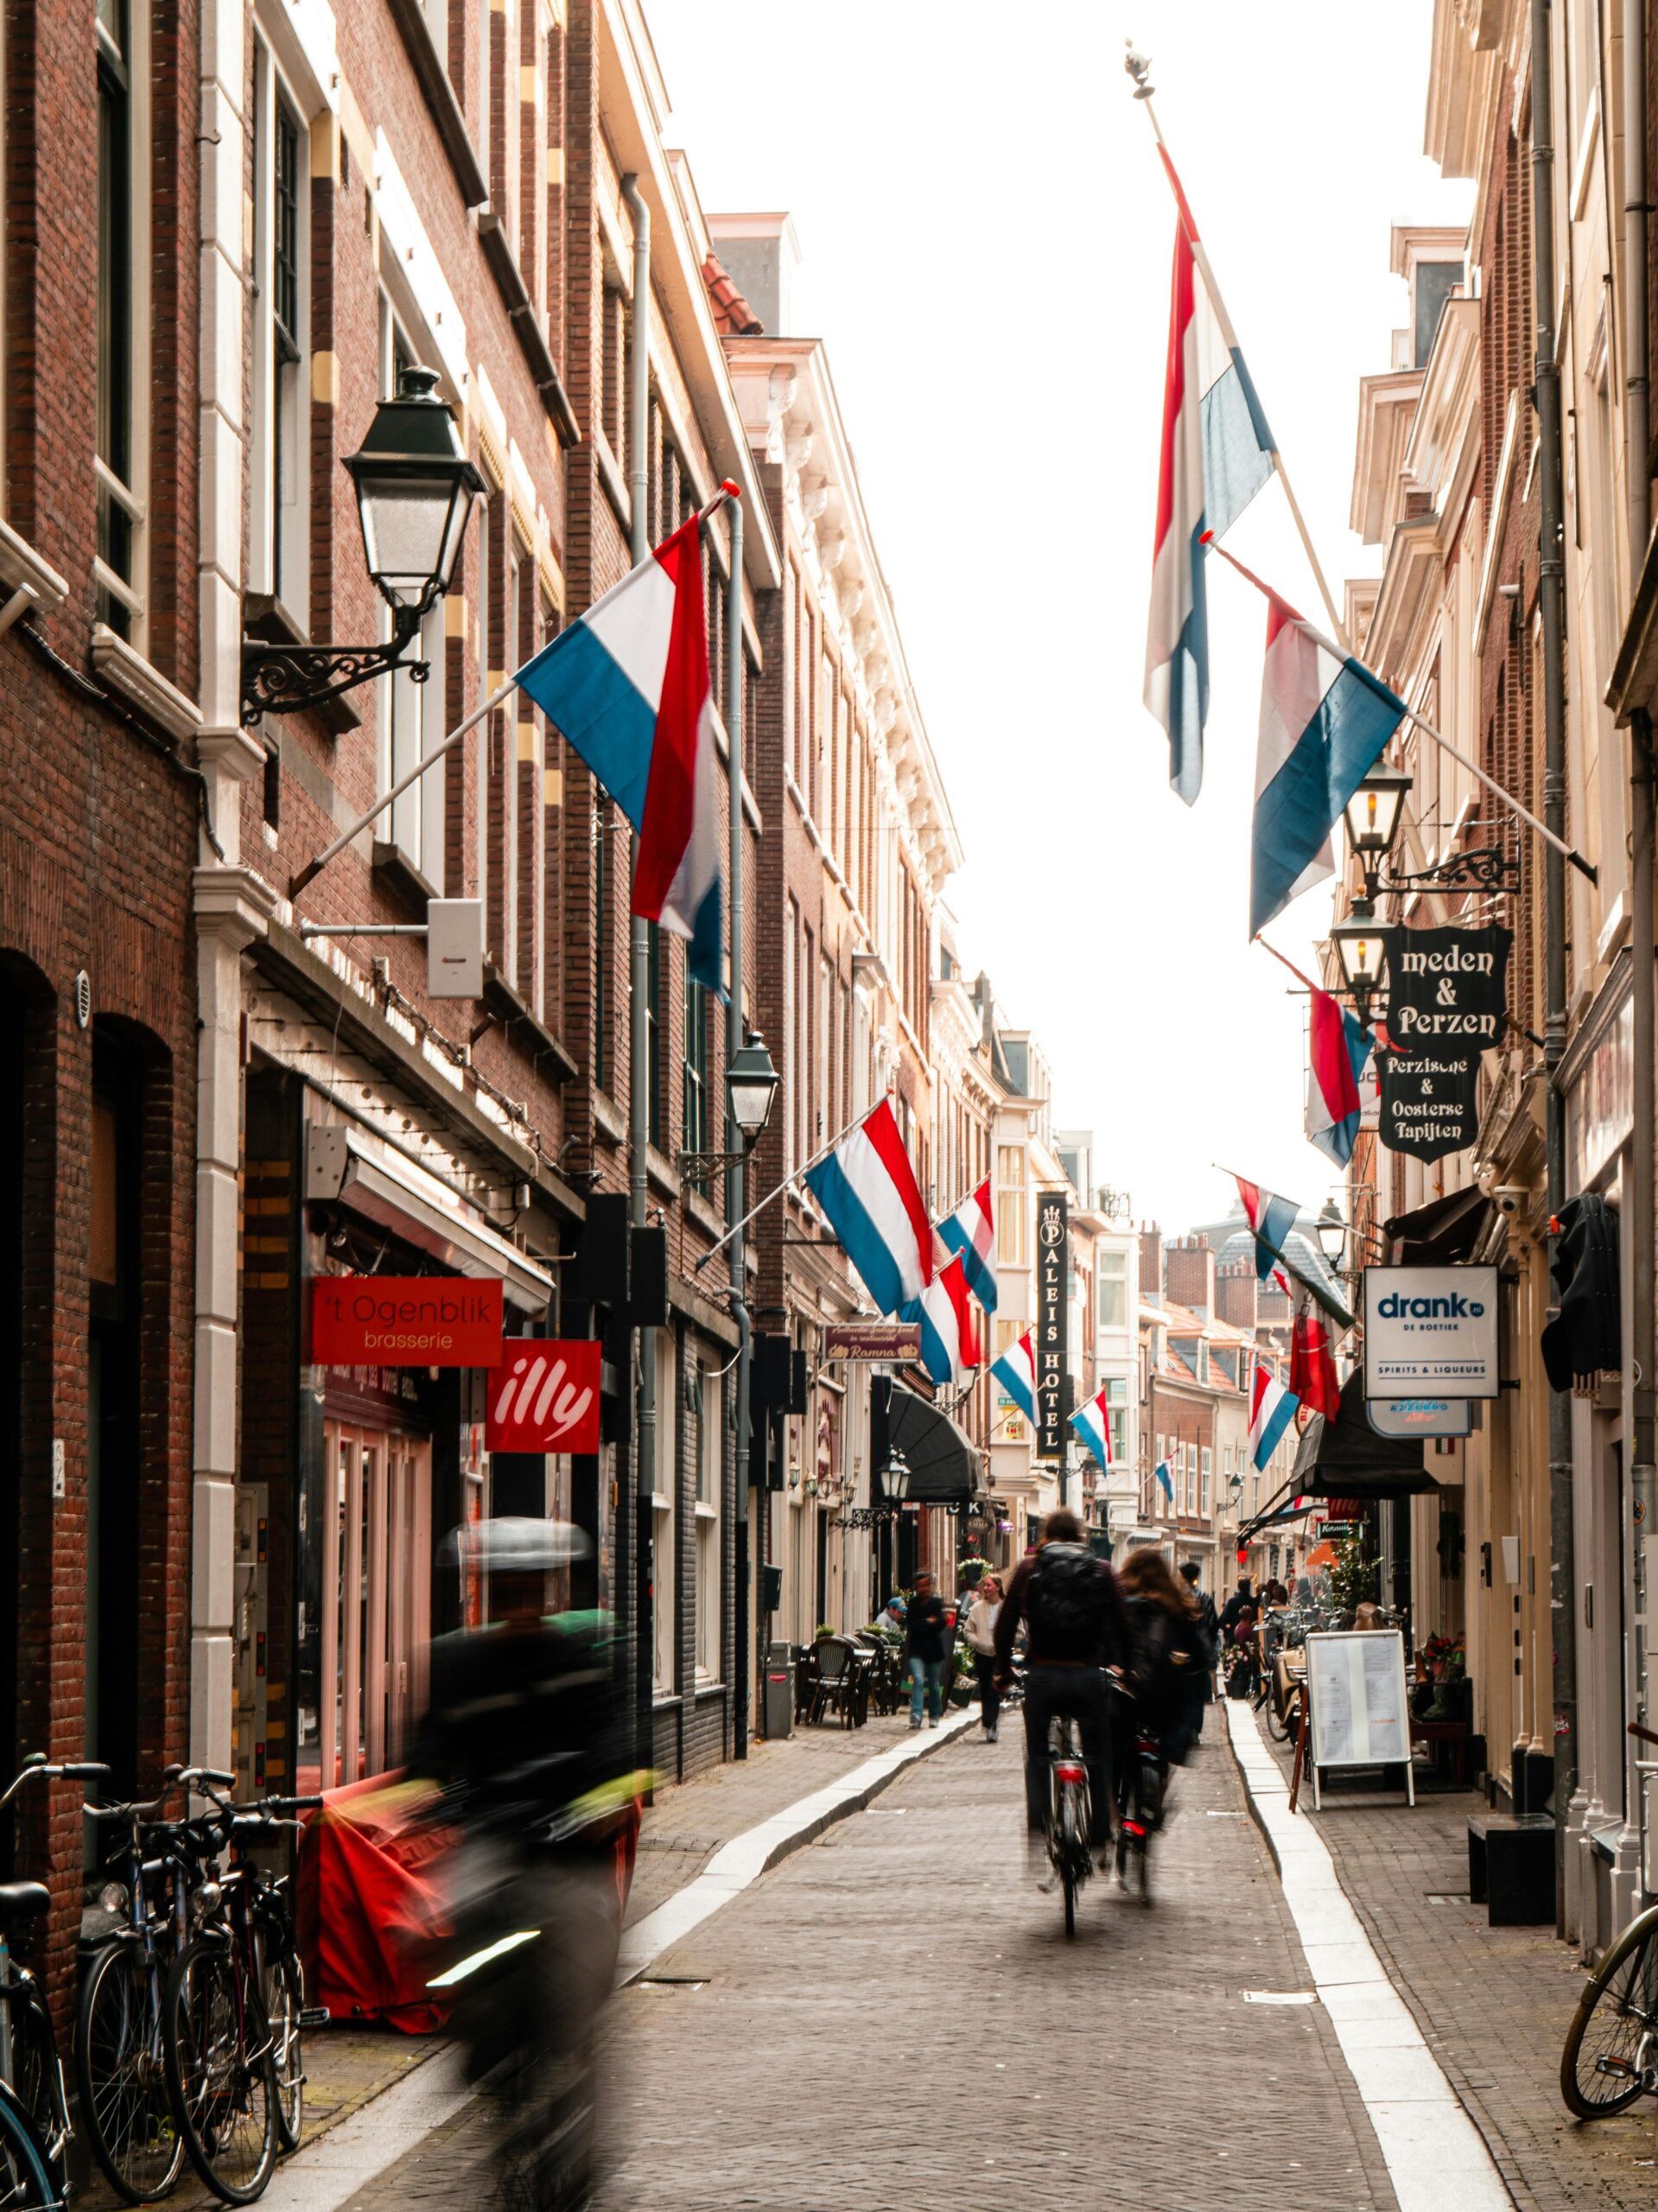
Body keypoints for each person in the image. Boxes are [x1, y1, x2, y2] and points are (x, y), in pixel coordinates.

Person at [994, 1509, 1131, 1870]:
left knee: (1039, 1756)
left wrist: (1002, 1670)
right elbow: (1124, 1624)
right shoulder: (1101, 1570)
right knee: (1099, 1755)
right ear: (1081, 1536)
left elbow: (1005, 1625)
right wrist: (1126, 1668)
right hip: (1088, 1677)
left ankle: (1040, 1826)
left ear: (1045, 1535)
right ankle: (1101, 1831)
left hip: (1043, 1677)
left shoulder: (1029, 1568)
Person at [1116, 1548, 1208, 1776]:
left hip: (1128, 1696)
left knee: (1113, 1755)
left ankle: (1112, 1806)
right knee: (1163, 1752)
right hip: (1166, 1702)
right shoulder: (1179, 1609)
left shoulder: (1121, 1607)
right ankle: (1158, 1798)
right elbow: (1200, 1657)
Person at [905, 1571, 950, 1729]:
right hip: (917, 1649)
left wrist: (926, 1624)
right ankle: (916, 1715)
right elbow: (911, 1625)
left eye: (925, 1585)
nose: (923, 1588)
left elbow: (941, 1624)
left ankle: (934, 1715)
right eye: (920, 1586)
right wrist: (928, 1621)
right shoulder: (913, 1603)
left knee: (933, 1684)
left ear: (930, 1585)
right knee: (917, 1679)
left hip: (933, 1649)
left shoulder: (937, 1603)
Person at [1178, 1560, 1218, 1734]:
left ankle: (1184, 1727)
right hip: (1199, 1656)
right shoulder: (1204, 1598)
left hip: (1179, 1654)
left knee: (1181, 1694)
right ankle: (1194, 1730)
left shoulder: (1176, 1598)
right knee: (1196, 1696)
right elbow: (1214, 1624)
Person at [964, 1574, 1004, 1742]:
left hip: (1000, 1655)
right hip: (982, 1655)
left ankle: (991, 1724)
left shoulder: (1006, 1607)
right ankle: (989, 1723)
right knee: (986, 1689)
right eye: (984, 1586)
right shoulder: (977, 1608)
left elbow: (1019, 1631)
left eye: (989, 1585)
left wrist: (1005, 1642)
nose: (986, 1588)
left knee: (994, 1688)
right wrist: (978, 1643)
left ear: (998, 1587)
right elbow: (968, 1630)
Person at [1221, 1576, 1255, 1640]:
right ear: (1249, 1588)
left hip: (1234, 1635)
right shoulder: (1253, 1601)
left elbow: (1225, 1619)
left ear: (1239, 1588)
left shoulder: (1232, 1601)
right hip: (1250, 1635)